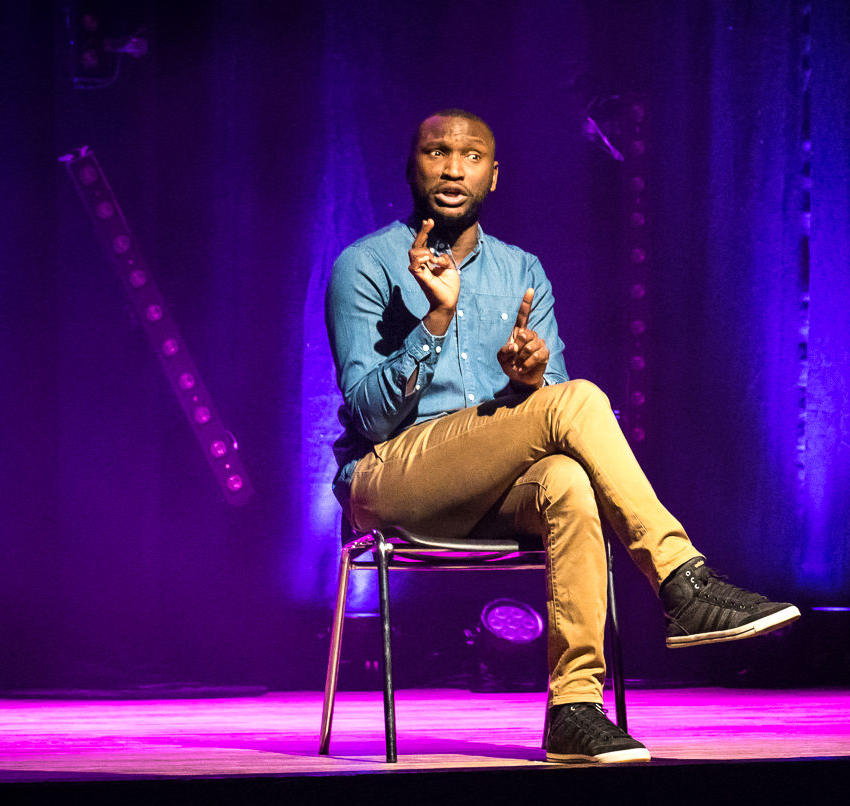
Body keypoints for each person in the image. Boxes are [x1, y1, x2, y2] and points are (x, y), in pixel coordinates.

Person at [326, 110, 798, 764]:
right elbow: (371, 417)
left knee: (569, 478)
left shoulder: (523, 271)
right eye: (437, 152)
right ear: (412, 167)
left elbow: (564, 427)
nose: (455, 167)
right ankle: (679, 580)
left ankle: (574, 709)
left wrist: (527, 381)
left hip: (486, 486)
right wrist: (435, 321)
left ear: (495, 175)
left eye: (472, 156)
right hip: (389, 479)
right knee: (575, 401)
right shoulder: (365, 265)